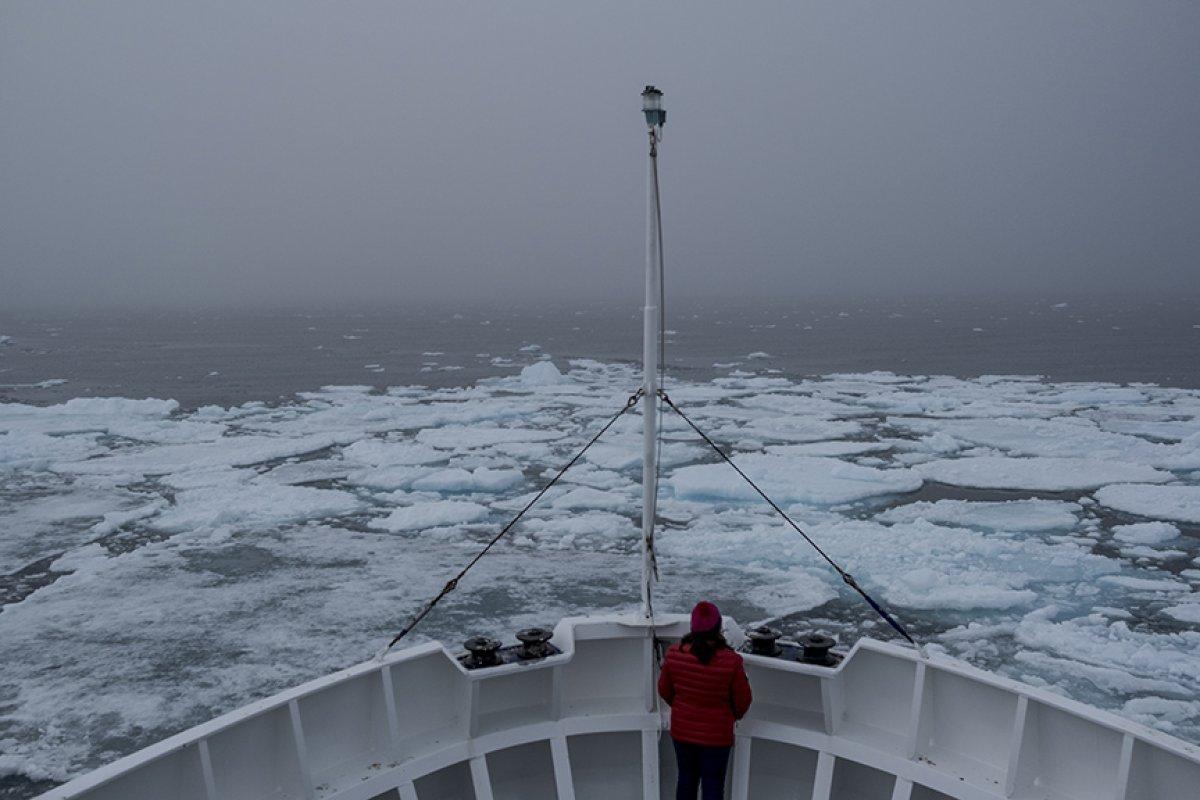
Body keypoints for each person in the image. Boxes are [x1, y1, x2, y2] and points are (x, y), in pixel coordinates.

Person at [657, 601, 753, 800]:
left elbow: (664, 690)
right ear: (718, 628)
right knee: (713, 784)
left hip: (683, 732)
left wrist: (683, 707)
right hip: (716, 736)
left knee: (686, 779)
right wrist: (730, 715)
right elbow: (743, 701)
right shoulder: (732, 661)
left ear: (693, 628)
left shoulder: (675, 654)